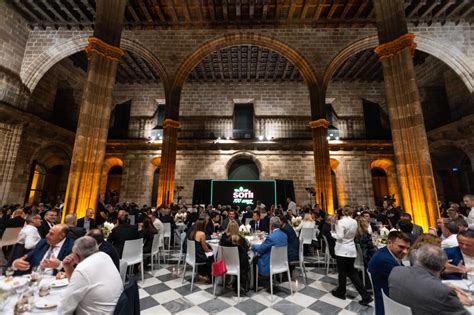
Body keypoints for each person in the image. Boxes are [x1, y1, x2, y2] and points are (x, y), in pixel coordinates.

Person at [389, 244, 470, 315]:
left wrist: (443, 287)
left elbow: (419, 285)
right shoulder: (442, 292)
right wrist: (465, 301)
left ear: (418, 258)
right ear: (442, 267)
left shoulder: (395, 271)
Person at [58, 236, 123, 314]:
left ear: (76, 256)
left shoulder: (82, 269)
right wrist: (68, 267)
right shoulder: (104, 256)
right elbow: (78, 286)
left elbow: (65, 307)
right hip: (117, 310)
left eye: (73, 253)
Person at [330, 206, 372, 306]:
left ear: (343, 212)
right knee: (352, 273)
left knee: (342, 272)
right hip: (351, 249)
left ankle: (341, 292)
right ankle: (365, 295)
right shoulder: (354, 221)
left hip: (342, 250)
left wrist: (332, 234)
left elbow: (339, 237)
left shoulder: (340, 222)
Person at [368, 231, 411, 315]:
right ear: (389, 243)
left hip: (387, 293)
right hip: (387, 301)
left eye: (408, 248)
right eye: (401, 247)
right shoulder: (384, 260)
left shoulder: (386, 252)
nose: (405, 252)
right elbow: (406, 282)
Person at [219, 220, 250, 290]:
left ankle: (228, 279)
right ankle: (243, 282)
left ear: (228, 227)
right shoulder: (241, 239)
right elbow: (246, 250)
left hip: (225, 263)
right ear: (237, 227)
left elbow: (220, 247)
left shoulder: (224, 238)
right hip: (239, 264)